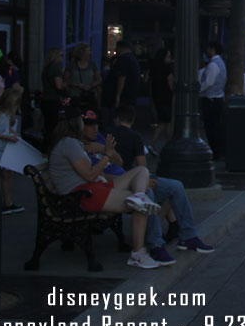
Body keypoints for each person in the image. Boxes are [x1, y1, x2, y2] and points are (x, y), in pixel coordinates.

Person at [46, 108, 162, 269]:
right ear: (76, 124)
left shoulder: (71, 143)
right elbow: (90, 175)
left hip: (92, 188)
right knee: (141, 206)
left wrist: (105, 152)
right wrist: (106, 154)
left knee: (142, 171)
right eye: (85, 123)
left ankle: (140, 196)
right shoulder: (69, 144)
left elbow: (108, 168)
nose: (94, 128)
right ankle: (138, 254)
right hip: (82, 194)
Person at [106, 106, 214, 265]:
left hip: (134, 177)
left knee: (175, 186)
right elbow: (142, 165)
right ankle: (156, 244)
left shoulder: (108, 136)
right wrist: (146, 178)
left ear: (116, 119)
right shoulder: (135, 136)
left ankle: (188, 236)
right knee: (151, 191)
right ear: (132, 120)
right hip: (128, 181)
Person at [199, 42, 227, 159]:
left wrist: (198, 89)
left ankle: (216, 152)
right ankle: (218, 151)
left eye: (208, 48)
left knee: (212, 127)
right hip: (217, 98)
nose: (207, 51)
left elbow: (209, 82)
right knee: (215, 127)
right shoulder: (219, 63)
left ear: (213, 50)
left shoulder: (213, 65)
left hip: (211, 100)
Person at [38, 47, 64, 151]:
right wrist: (66, 86)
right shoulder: (55, 68)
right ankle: (51, 148)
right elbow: (59, 86)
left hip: (45, 100)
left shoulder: (46, 68)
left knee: (48, 126)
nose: (62, 58)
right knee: (54, 127)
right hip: (53, 100)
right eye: (61, 55)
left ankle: (46, 148)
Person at [148, 48, 174, 153]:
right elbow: (171, 86)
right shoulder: (168, 70)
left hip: (158, 98)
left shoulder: (155, 69)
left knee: (166, 122)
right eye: (168, 57)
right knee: (164, 122)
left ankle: (168, 144)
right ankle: (152, 143)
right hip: (167, 98)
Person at [65, 43, 100, 111]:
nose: (90, 53)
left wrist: (90, 85)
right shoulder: (71, 66)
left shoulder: (92, 64)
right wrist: (77, 85)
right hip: (75, 96)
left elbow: (98, 79)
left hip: (89, 96)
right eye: (88, 51)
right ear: (81, 52)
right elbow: (65, 80)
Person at [111, 40, 142, 110]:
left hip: (124, 96)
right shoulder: (133, 59)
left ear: (120, 48)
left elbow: (121, 77)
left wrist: (118, 95)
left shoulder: (124, 59)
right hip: (131, 95)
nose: (115, 50)